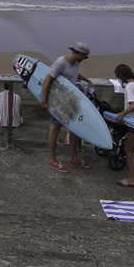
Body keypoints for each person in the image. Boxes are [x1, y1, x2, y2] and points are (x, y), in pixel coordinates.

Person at [42, 42, 95, 172]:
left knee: (74, 129)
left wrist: (87, 80)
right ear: (80, 54)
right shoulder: (60, 62)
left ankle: (74, 158)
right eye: (85, 57)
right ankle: (53, 160)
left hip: (70, 100)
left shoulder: (76, 64)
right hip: (58, 100)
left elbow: (75, 75)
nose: (85, 59)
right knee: (55, 128)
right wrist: (44, 100)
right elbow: (48, 80)